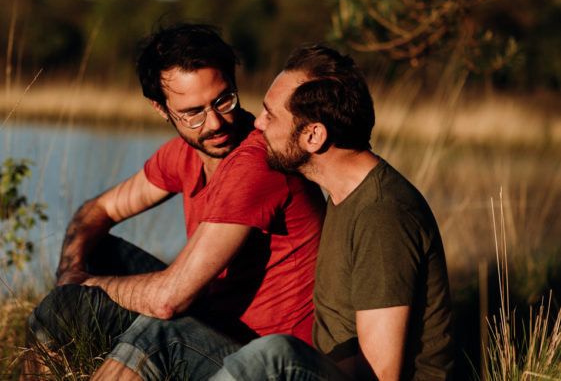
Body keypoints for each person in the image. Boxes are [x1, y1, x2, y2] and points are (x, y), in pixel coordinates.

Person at [22, 24, 325, 380]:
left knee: (158, 332)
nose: (214, 122)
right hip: (216, 324)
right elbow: (97, 210)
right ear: (161, 109)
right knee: (68, 297)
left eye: (224, 100)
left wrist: (87, 285)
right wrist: (69, 274)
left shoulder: (257, 162)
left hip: (268, 363)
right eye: (192, 113)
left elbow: (169, 299)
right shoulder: (183, 154)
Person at [210, 45, 454, 381]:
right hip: (327, 369)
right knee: (168, 332)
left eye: (271, 114)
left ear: (313, 135)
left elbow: (380, 373)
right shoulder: (343, 195)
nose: (258, 123)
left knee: (273, 355)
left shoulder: (382, 217)